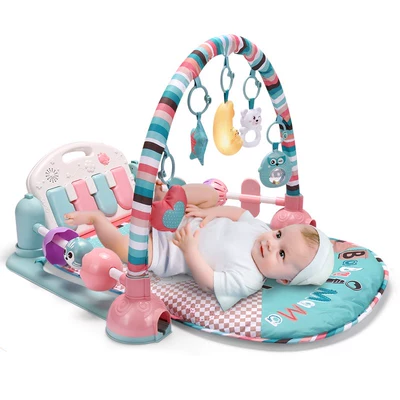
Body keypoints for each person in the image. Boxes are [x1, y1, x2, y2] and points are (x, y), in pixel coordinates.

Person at [64, 181, 334, 311]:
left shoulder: (249, 278)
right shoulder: (261, 230)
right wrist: (210, 212)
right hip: (184, 215)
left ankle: (98, 220)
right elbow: (238, 213)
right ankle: (167, 199)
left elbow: (208, 282)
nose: (271, 243)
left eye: (282, 253)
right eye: (279, 235)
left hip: (168, 249)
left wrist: (189, 249)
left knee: (129, 251)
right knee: (209, 195)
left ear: (285, 280)